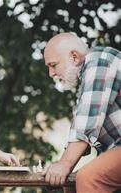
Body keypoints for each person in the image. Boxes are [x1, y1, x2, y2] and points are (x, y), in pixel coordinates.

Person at [42, 32, 121, 193]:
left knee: (90, 178)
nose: (51, 74)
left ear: (74, 57)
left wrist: (64, 164)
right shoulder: (87, 79)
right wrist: (60, 166)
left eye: (53, 65)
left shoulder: (100, 60)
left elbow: (87, 124)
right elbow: (81, 140)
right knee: (71, 183)